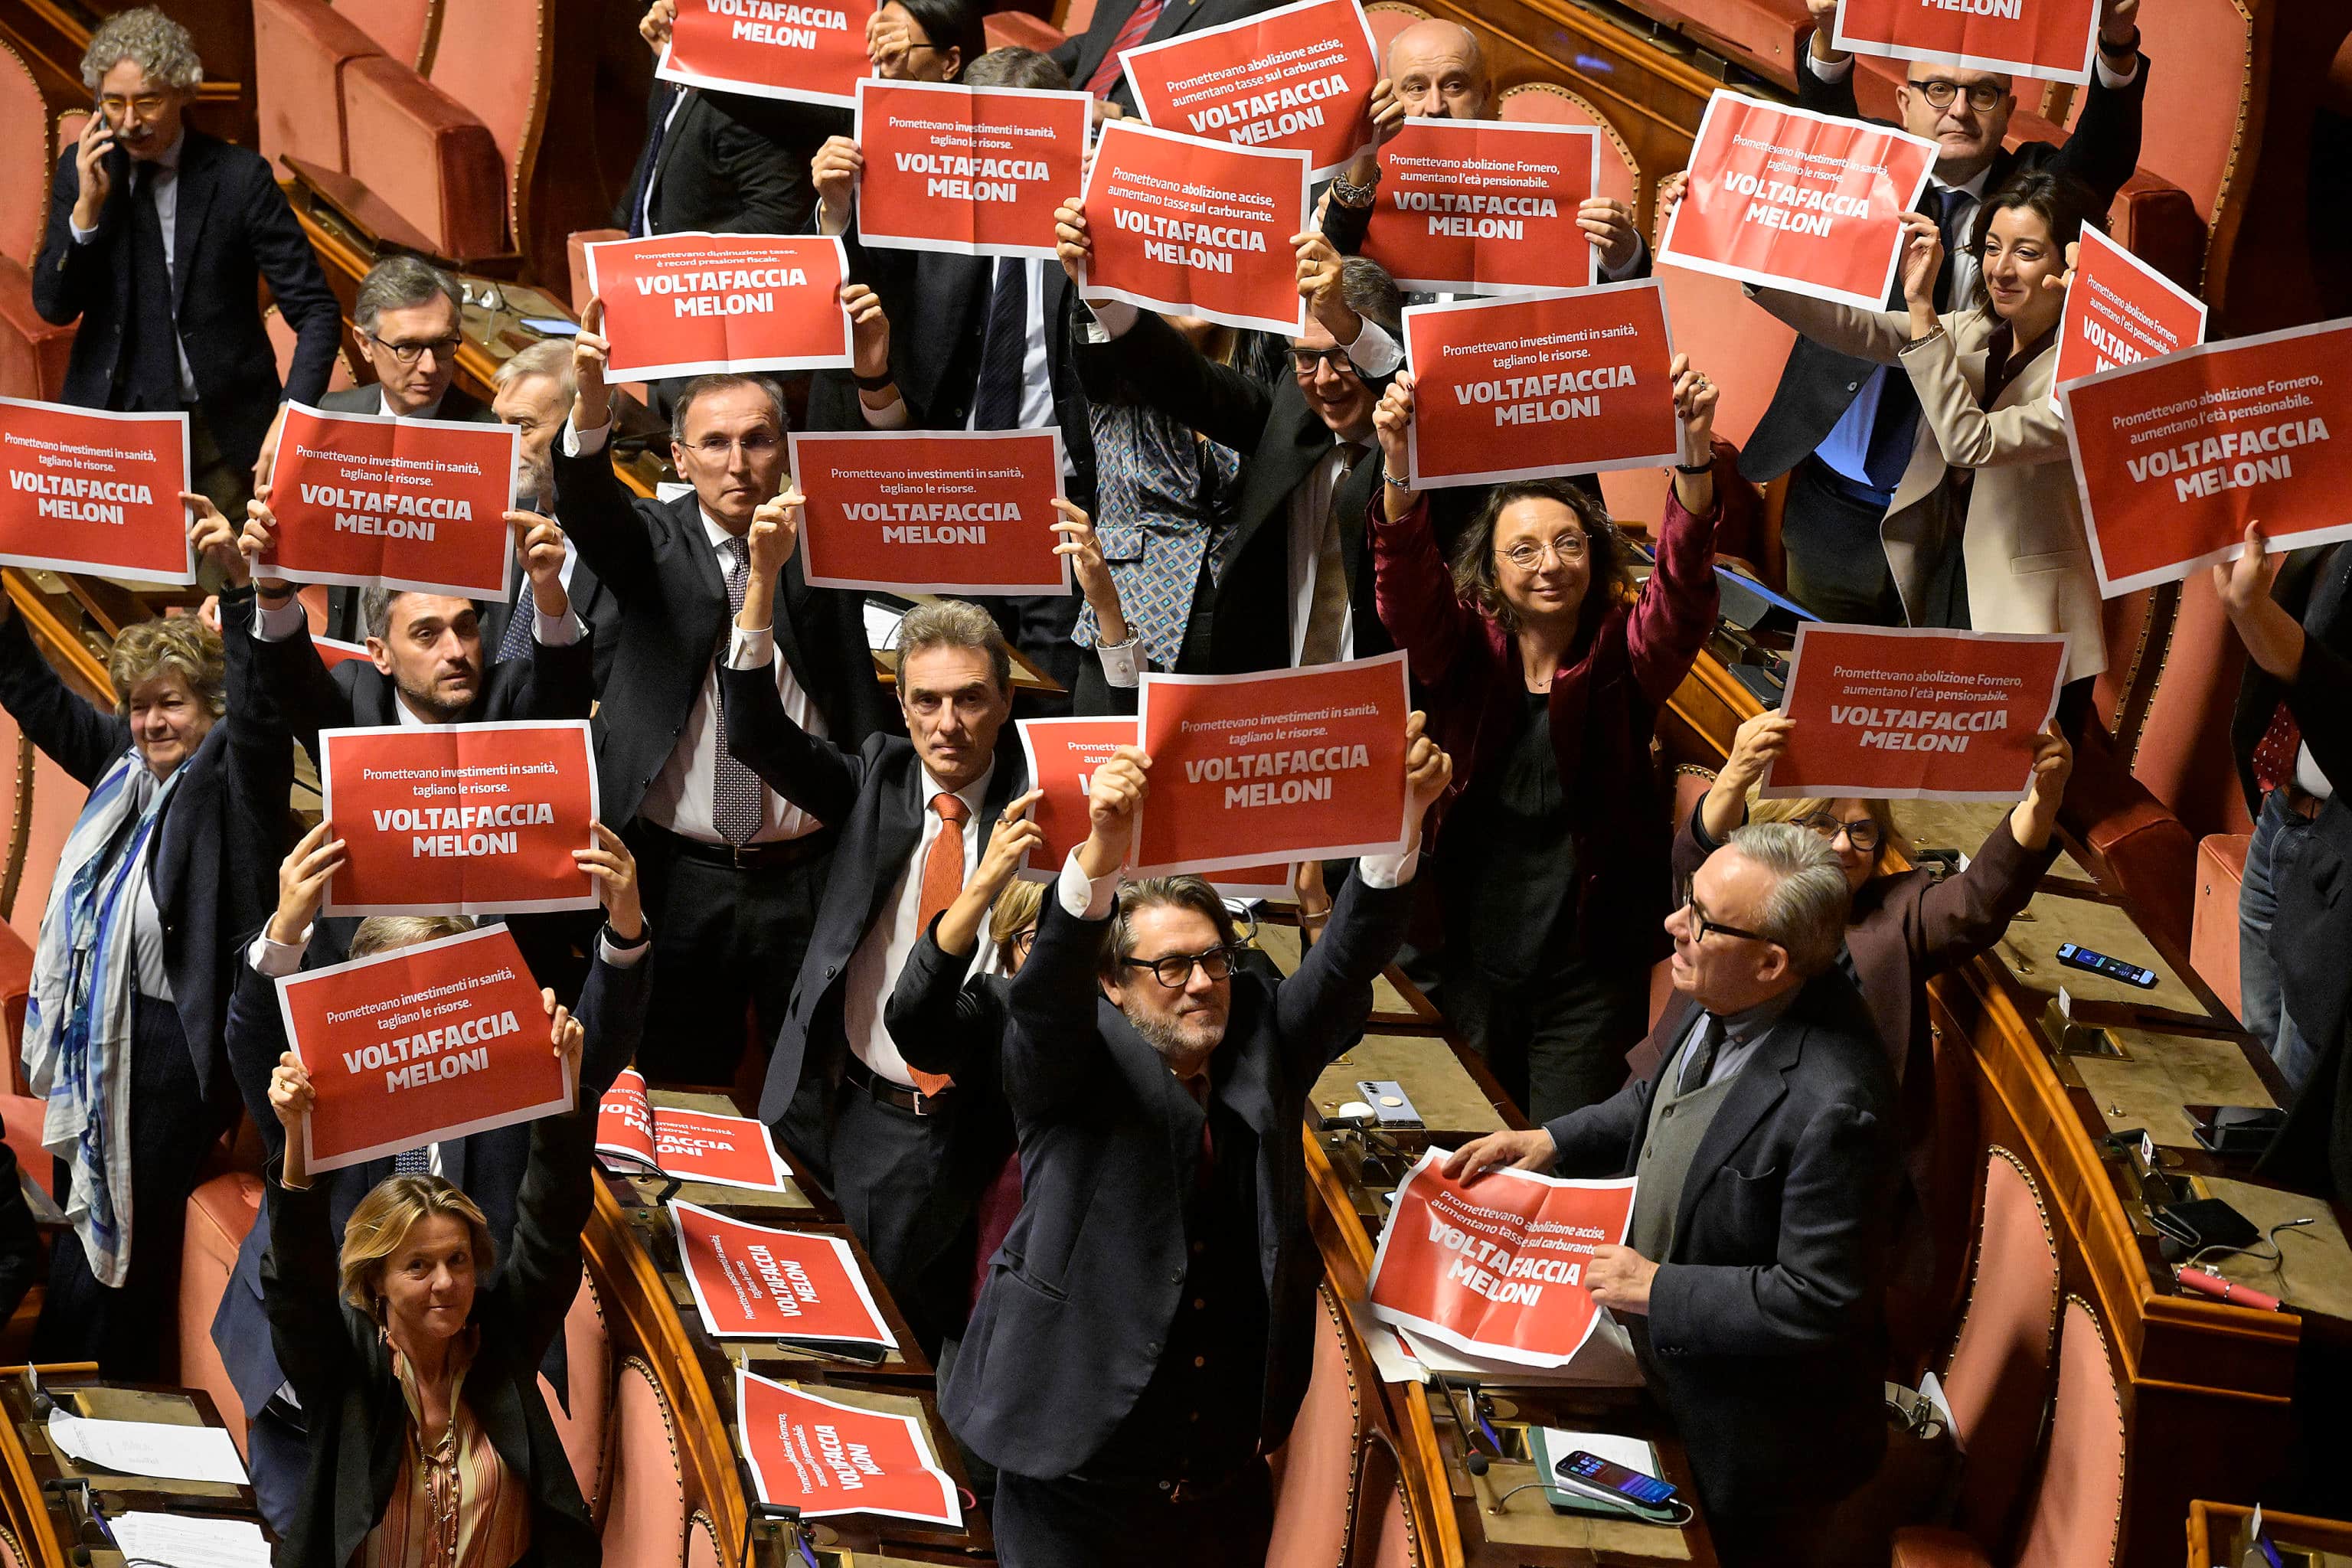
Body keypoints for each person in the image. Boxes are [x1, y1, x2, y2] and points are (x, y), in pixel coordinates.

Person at [942, 724, 1451, 1566]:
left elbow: (1345, 965)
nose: (1202, 982)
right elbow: (1043, 1002)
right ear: (1113, 981)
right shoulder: (1068, 1061)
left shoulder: (1261, 1042)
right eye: (1169, 967)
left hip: (1217, 1482)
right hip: (1073, 1466)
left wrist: (1401, 829)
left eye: (1214, 958)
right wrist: (1096, 864)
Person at [1443, 825, 1896, 1566]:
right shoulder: (1719, 975)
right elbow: (1662, 1094)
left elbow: (1817, 1297)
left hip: (1745, 1447)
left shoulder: (1840, 1102)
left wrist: (1655, 1286)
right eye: (1689, 900)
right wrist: (1550, 1139)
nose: (1674, 924)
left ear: (1773, 960)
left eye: (1702, 918)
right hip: (1656, 1361)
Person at [218, 822, 651, 1533]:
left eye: (447, 990)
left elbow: (592, 1056)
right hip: (312, 1366)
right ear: (358, 999)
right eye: (400, 995)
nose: (424, 1013)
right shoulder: (320, 1089)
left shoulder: (505, 1081)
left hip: (451, 1370)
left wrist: (625, 929)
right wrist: (286, 932)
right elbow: (253, 1037)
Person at [1364, 358, 1723, 1121]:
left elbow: (1685, 599)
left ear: (1594, 556)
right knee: (1465, 1137)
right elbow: (1403, 590)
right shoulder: (1462, 651)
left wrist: (1691, 455)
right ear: (1490, 570)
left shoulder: (1623, 656)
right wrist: (1399, 466)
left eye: (1569, 543)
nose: (1550, 563)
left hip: (1587, 971)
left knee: (1560, 1156)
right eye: (1524, 550)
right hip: (1462, 950)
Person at [722, 501, 1036, 1350]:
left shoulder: (1037, 808)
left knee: (905, 1334)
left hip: (958, 1123)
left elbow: (1110, 745)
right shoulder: (881, 775)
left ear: (1006, 701)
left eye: (971, 699)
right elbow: (754, 730)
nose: (948, 725)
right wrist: (760, 578)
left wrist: (1106, 615)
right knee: (810, 1316)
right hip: (830, 1099)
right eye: (927, 701)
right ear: (901, 705)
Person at [554, 306, 893, 1086]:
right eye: (714, 442)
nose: (738, 462)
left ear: (784, 449)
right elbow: (589, 508)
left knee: (814, 1087)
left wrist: (872, 377)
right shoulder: (651, 542)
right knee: (674, 1082)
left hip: (812, 868)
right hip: (680, 875)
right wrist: (591, 407)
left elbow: (896, 478)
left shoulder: (830, 537)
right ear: (678, 456)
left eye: (758, 438)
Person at [1736, 0, 2147, 624]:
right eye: (1937, 89)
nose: (1958, 109)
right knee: (1814, 692)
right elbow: (1825, 117)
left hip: (1948, 520)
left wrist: (2116, 45)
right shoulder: (1868, 170)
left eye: (1983, 94)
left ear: (2009, 110)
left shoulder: (2032, 195)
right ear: (1904, 105)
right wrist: (1829, 33)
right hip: (1827, 505)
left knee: (1910, 700)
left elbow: (2103, 152)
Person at [1680, 709, 2072, 1352]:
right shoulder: (1733, 894)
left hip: (1821, 1193)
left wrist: (2043, 798)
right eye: (1822, 824)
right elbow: (1700, 855)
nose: (1842, 846)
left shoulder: (1893, 917)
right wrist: (1735, 779)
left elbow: (1974, 902)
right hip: (1704, 1152)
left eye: (1861, 831)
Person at [0, 514, 291, 1377]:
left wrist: (239, 594)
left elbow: (264, 711)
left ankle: (75, 1397)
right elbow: (36, 691)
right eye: (140, 704)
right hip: (97, 1032)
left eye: (174, 703)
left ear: (211, 709)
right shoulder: (126, 767)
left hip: (167, 1055)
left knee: (112, 1249)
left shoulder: (233, 791)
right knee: (82, 1220)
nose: (152, 721)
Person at [1736, 171, 2112, 714]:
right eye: (1991, 248)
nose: (2001, 270)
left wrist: (1922, 314)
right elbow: (1859, 329)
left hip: (2023, 613)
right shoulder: (1979, 329)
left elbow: (1970, 442)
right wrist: (1755, 272)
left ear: (2069, 263)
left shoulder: (2086, 372)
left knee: (1995, 788)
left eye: (2026, 253)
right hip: (1943, 575)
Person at [807, 45, 1094, 702]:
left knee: (1052, 694)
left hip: (1064, 493)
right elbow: (850, 289)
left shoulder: (1086, 224)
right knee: (948, 684)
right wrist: (837, 212)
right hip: (954, 491)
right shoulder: (926, 212)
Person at [260, 1016, 603, 1566]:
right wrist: (299, 1140)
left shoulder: (502, 1341)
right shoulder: (345, 1363)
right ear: (377, 1280)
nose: (446, 1283)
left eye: (458, 1260)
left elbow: (550, 1229)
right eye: (418, 1266)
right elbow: (296, 1283)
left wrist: (561, 1089)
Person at [1058, 202, 1406, 672]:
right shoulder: (1283, 421)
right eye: (1305, 358)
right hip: (1256, 684)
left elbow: (1399, 375)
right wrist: (1103, 296)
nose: (1324, 379)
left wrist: (1346, 321)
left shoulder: (1422, 442)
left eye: (1343, 354)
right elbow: (1184, 380)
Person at [32, 7, 339, 520]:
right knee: (106, 593)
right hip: (112, 428)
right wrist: (85, 215)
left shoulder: (241, 179)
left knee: (227, 591)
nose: (129, 122)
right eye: (113, 103)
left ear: (182, 91)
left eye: (147, 102)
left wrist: (293, 415)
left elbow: (317, 311)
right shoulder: (80, 171)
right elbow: (53, 307)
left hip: (220, 431)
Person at [2212, 524, 2352, 1207]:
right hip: (2278, 811)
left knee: (2294, 1090)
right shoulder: (2329, 510)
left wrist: (2254, 616)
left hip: (2337, 854)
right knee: (2254, 1056)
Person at [227, 502, 595, 757]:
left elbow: (564, 693)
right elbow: (289, 681)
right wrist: (274, 591)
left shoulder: (509, 693)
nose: (455, 650)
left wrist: (546, 586)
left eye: (465, 627)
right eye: (426, 635)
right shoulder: (359, 700)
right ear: (380, 654)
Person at [1318, 19, 1648, 293]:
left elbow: (1587, 308)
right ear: (1393, 96)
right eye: (1417, 88)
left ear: (1485, 94)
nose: (1434, 107)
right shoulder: (1359, 178)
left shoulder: (1541, 173)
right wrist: (1348, 200)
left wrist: (1621, 254)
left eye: (1454, 86)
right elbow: (1330, 287)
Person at [1068, 312, 1246, 709]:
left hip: (1237, 623)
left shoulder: (1261, 370)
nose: (1190, 292)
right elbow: (1092, 315)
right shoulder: (1107, 362)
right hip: (1126, 613)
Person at [624, 0, 843, 238]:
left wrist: (677, 260)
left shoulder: (748, 98)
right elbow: (656, 145)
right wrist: (623, 222)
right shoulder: (671, 42)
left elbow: (780, 219)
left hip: (701, 269)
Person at [479, 340, 622, 689]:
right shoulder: (502, 509)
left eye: (523, 425)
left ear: (578, 428)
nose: (504, 440)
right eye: (499, 420)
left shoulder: (633, 535)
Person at [1054, 0, 1278, 115]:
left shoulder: (1246, 6)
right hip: (1068, 118)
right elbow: (1095, 41)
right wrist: (1029, 69)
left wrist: (1116, 113)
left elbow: (1224, 95)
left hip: (1134, 149)